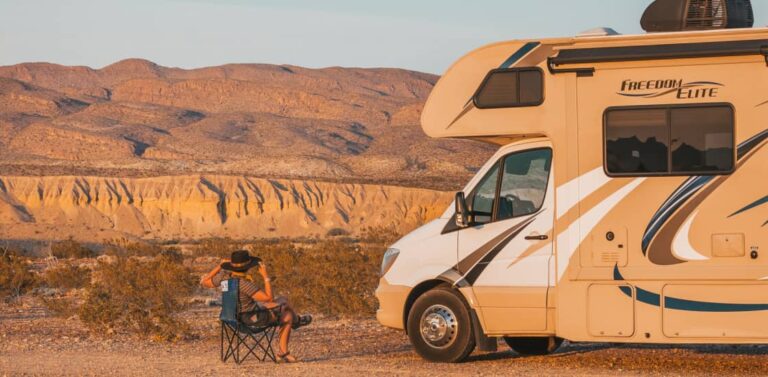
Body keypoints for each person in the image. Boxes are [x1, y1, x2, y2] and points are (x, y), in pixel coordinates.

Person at [200, 249, 311, 363]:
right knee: (286, 309)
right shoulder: (244, 284)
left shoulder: (225, 277)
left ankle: (284, 350)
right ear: (248, 267)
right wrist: (265, 276)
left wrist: (220, 266)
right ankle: (296, 323)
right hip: (251, 319)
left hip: (231, 318)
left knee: (285, 307)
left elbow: (205, 282)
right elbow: (269, 298)